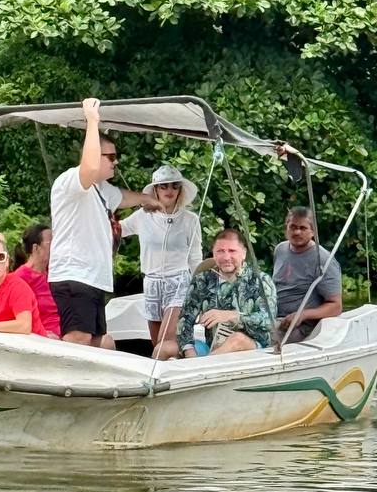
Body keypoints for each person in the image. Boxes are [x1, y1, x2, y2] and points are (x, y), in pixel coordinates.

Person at [48, 97, 162, 348]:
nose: (115, 161)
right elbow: (88, 167)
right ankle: (70, 384)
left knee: (101, 342)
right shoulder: (73, 181)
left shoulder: (102, 189)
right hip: (74, 275)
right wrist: (92, 121)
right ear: (94, 155)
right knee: (79, 339)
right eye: (110, 157)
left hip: (93, 279)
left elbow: (122, 198)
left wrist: (147, 199)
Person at [120, 164, 202, 358]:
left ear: (179, 190)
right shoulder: (142, 216)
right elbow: (117, 230)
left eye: (174, 186)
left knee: (165, 344)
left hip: (178, 282)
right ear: (155, 189)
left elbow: (196, 257)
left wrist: (198, 288)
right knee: (160, 348)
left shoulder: (190, 219)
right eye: (164, 186)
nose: (169, 191)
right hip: (151, 282)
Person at [172, 228, 277, 358]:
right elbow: (184, 320)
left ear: (243, 253)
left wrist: (232, 316)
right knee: (165, 348)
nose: (226, 257)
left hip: (254, 349)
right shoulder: (203, 279)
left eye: (232, 251)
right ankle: (198, 366)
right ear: (214, 254)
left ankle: (201, 368)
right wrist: (189, 351)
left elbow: (268, 320)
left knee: (237, 339)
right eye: (220, 251)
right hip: (213, 347)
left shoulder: (260, 280)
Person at [274, 206, 342, 342]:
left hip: (301, 326)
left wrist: (302, 315)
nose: (297, 232)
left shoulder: (323, 259)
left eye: (303, 228)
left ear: (313, 231)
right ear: (286, 229)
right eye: (292, 227)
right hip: (273, 316)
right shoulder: (280, 249)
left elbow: (336, 306)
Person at [13, 224, 62, 337]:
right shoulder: (20, 278)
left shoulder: (55, 273)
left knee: (106, 341)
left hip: (66, 332)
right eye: (51, 243)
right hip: (43, 337)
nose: (57, 247)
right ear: (36, 248)